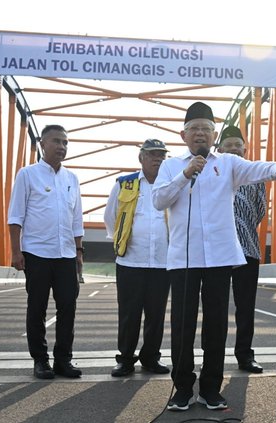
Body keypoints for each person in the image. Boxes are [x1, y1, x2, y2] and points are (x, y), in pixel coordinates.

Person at [152, 102, 276, 411]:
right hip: (184, 259)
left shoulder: (228, 162)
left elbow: (256, 168)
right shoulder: (171, 165)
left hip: (219, 257)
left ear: (214, 134)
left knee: (216, 325)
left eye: (205, 128)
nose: (200, 133)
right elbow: (159, 200)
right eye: (194, 129)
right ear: (183, 135)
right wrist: (184, 175)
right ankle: (182, 388)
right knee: (182, 325)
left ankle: (211, 388)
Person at [8, 124, 84, 379]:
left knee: (68, 307)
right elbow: (16, 216)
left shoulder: (71, 179)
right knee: (37, 307)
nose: (62, 147)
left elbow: (77, 220)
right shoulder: (27, 175)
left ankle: (64, 360)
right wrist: (16, 252)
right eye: (56, 141)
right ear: (42, 143)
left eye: (65, 142)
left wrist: (79, 253)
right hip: (37, 252)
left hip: (65, 254)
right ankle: (40, 360)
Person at [104, 139, 171, 377]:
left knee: (156, 314)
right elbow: (110, 216)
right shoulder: (125, 184)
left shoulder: (172, 183)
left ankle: (151, 358)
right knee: (129, 313)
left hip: (162, 262)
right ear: (141, 158)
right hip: (131, 261)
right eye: (152, 154)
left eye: (162, 155)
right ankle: (125, 359)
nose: (158, 159)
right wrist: (122, 241)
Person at [217, 125, 266, 374]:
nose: (234, 148)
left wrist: (242, 229)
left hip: (248, 249)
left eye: (238, 144)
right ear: (220, 150)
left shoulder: (255, 175)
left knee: (246, 306)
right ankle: (213, 357)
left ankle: (245, 356)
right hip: (218, 252)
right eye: (229, 145)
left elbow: (260, 211)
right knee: (216, 308)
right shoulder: (213, 171)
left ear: (245, 149)